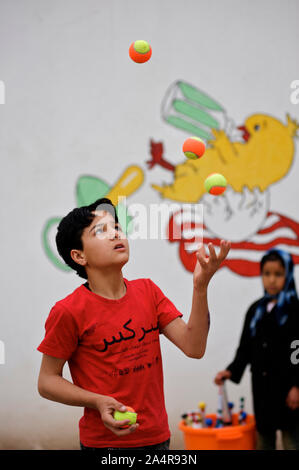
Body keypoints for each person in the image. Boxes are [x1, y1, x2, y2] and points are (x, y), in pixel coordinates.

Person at [37, 197, 230, 451]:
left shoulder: (148, 291)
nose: (116, 233)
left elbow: (194, 347)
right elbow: (47, 381)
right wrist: (97, 401)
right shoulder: (67, 312)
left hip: (158, 438)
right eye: (101, 230)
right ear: (79, 255)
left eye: (116, 227)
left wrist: (200, 287)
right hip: (104, 445)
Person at [214, 248, 299, 450]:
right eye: (266, 274)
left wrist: (297, 386)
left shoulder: (295, 310)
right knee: (263, 439)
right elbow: (245, 347)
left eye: (278, 274)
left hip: (289, 391)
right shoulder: (255, 311)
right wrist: (232, 370)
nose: (271, 280)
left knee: (291, 440)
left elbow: (298, 351)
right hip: (262, 389)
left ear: (288, 275)